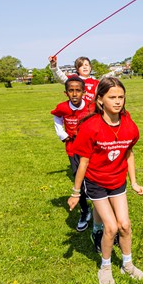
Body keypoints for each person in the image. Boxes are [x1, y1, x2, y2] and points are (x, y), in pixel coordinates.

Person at [69, 77, 143, 284]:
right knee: (110, 227)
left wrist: (134, 182)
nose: (118, 101)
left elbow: (129, 153)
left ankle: (127, 265)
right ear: (100, 100)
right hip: (96, 183)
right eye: (112, 97)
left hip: (117, 181)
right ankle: (105, 267)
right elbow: (83, 162)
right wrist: (76, 192)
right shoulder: (91, 126)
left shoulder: (129, 124)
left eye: (121, 97)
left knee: (125, 225)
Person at [50, 76, 97, 232]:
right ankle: (85, 210)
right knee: (79, 178)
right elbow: (56, 116)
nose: (75, 94)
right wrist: (62, 134)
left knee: (94, 179)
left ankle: (100, 212)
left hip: (91, 149)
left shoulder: (91, 106)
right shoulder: (62, 107)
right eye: (71, 91)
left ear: (84, 92)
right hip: (73, 148)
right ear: (66, 93)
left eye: (78, 90)